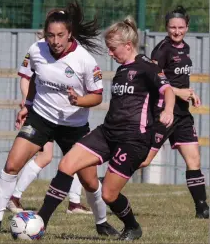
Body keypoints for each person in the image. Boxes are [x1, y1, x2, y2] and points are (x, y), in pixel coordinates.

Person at [0, 0, 119, 236]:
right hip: (40, 118)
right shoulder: (36, 50)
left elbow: (97, 96)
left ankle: (102, 223)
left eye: (61, 35)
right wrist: (27, 105)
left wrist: (78, 101)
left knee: (90, 181)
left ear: (70, 33)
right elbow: (34, 78)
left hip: (74, 126)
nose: (55, 41)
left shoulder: (84, 60)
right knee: (12, 165)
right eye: (51, 35)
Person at [34, 15, 175, 241]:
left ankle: (132, 227)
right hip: (107, 132)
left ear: (127, 46)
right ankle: (40, 222)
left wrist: (168, 111)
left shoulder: (147, 67)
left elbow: (167, 90)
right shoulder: (121, 71)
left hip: (133, 139)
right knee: (67, 163)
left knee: (109, 193)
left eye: (113, 48)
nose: (110, 53)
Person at [139, 6, 209, 219]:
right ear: (166, 27)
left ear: (187, 27)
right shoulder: (161, 50)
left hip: (182, 115)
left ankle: (202, 209)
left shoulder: (186, 48)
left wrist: (191, 94)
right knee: (143, 160)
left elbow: (179, 80)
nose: (176, 31)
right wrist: (178, 92)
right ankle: (102, 185)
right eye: (172, 27)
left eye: (180, 27)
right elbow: (153, 80)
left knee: (194, 159)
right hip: (164, 112)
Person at [6, 48, 92, 215]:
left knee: (60, 157)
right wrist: (28, 102)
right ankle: (14, 197)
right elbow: (26, 77)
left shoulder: (75, 54)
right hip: (43, 115)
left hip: (60, 116)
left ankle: (74, 202)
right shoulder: (36, 51)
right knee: (49, 156)